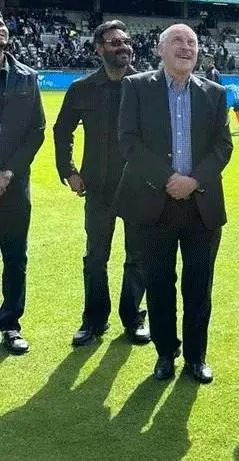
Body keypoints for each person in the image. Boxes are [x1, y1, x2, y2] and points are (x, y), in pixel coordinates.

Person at [115, 24, 233, 384]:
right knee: (159, 284)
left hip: (201, 206)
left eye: (192, 42)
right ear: (160, 49)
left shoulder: (214, 93)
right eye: (178, 41)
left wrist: (193, 181)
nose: (186, 47)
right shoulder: (136, 87)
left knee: (199, 287)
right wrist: (169, 179)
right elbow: (129, 142)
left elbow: (223, 146)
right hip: (153, 204)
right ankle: (166, 353)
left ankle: (196, 357)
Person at [53, 20, 150, 347]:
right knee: (95, 258)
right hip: (97, 187)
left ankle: (133, 318)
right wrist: (69, 170)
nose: (123, 47)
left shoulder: (146, 86)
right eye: (114, 42)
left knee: (137, 257)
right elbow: (62, 130)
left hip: (138, 187)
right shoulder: (81, 88)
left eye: (126, 42)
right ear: (98, 49)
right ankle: (94, 319)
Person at [0, 12, 46, 355]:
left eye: (1, 23)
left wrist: (8, 173)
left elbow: (36, 130)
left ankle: (10, 324)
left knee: (15, 257)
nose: (0, 28)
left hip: (14, 185)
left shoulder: (26, 77)